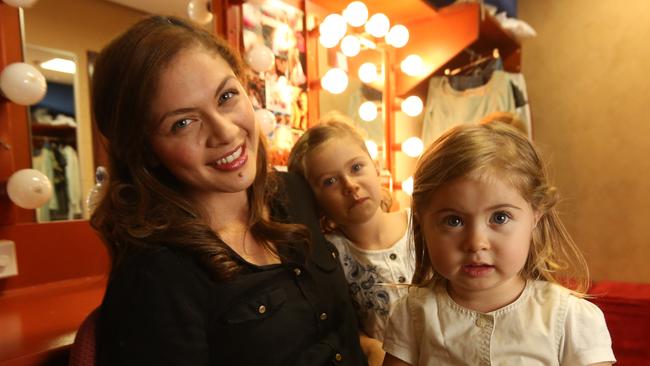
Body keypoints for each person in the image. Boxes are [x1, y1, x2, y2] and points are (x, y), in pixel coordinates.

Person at [90, 16, 367, 366]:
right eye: (183, 123)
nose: (224, 132)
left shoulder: (294, 190)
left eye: (226, 96)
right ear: (144, 150)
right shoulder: (153, 280)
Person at [382, 123, 615, 365]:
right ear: (422, 221)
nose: (476, 243)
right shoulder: (412, 316)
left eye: (500, 217)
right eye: (454, 221)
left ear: (535, 215)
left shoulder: (569, 318)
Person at [288, 112, 415, 366]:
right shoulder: (330, 256)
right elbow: (340, 325)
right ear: (315, 201)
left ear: (375, 166)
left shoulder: (422, 226)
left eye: (356, 167)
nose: (350, 185)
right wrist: (367, 344)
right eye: (330, 181)